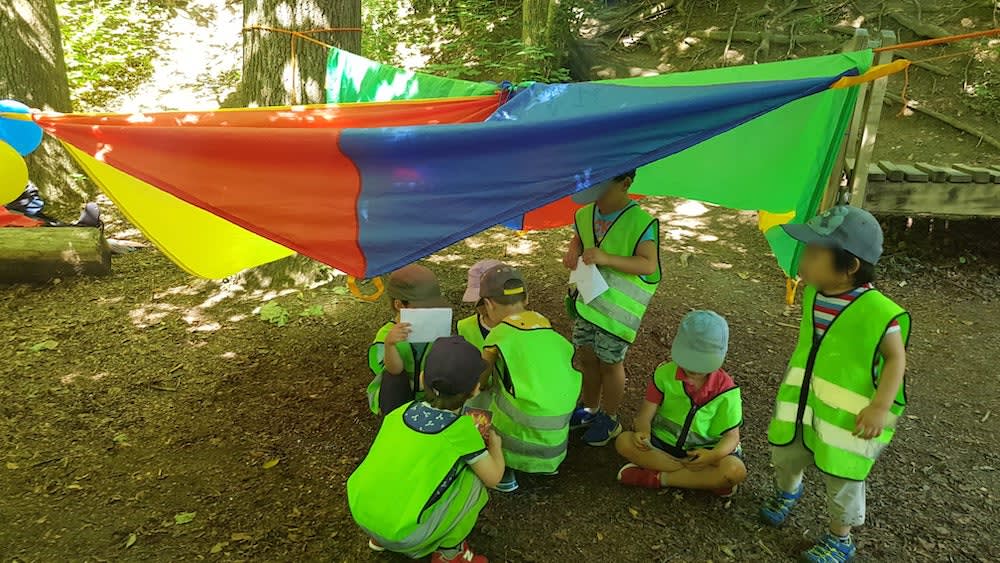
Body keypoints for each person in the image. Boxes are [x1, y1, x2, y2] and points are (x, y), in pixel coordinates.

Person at [760, 205, 910, 563]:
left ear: (850, 266)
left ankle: (840, 538)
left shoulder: (879, 312)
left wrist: (880, 407)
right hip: (803, 405)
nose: (804, 261)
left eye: (814, 254)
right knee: (787, 455)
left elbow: (895, 359)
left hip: (849, 421)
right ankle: (788, 492)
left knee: (842, 478)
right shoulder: (816, 292)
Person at [348, 336, 505, 563]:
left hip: (361, 512)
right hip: (407, 535)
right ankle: (451, 553)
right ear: (474, 390)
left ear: (422, 379)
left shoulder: (400, 412)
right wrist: (495, 448)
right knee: (475, 481)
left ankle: (379, 537)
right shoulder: (462, 431)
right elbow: (494, 478)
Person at [562, 170, 661, 446]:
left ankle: (610, 416)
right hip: (588, 304)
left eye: (602, 187)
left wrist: (607, 258)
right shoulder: (585, 213)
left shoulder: (640, 222)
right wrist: (573, 248)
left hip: (617, 315)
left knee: (610, 363)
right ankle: (590, 408)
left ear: (625, 184)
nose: (594, 193)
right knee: (587, 358)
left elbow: (648, 265)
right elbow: (581, 237)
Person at [615, 310, 746, 497]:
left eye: (702, 364)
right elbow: (644, 416)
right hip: (663, 447)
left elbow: (732, 438)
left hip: (704, 453)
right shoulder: (664, 375)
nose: (693, 370)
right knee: (624, 442)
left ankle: (659, 478)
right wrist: (643, 432)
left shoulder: (727, 392)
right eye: (689, 361)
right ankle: (703, 480)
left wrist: (712, 456)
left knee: (735, 471)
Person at [479, 264, 581, 492]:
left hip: (520, 443)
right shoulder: (545, 326)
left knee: (476, 400)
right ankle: (545, 464)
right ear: (526, 297)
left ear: (488, 304)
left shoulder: (498, 336)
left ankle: (503, 470)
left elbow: (480, 381)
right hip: (555, 445)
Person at [366, 264, 448, 415]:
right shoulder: (385, 335)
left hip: (428, 394)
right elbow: (394, 371)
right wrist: (390, 345)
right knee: (393, 380)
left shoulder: (434, 325)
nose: (428, 311)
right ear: (399, 305)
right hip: (397, 397)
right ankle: (395, 425)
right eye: (422, 307)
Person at [457, 259, 503, 351]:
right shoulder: (464, 326)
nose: (479, 305)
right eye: (477, 300)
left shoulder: (525, 326)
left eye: (486, 299)